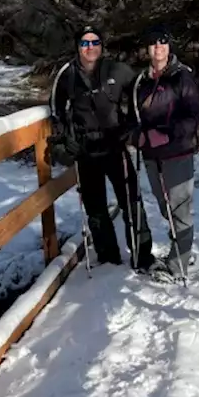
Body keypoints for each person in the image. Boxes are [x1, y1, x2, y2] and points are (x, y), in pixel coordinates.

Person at [48, 25, 154, 270]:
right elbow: (56, 109)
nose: (90, 47)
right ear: (77, 47)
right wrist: (65, 139)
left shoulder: (117, 69)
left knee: (131, 201)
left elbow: (140, 91)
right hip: (86, 149)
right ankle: (107, 257)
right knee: (95, 208)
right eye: (85, 43)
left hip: (115, 145)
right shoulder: (67, 74)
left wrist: (132, 126)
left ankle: (142, 256)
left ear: (101, 45)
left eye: (94, 42)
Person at [131, 25, 199, 280]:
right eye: (153, 43)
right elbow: (133, 117)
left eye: (163, 41)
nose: (158, 46)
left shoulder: (182, 77)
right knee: (166, 208)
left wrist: (167, 134)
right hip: (151, 155)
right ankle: (182, 248)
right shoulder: (142, 81)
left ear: (169, 46)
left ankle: (177, 267)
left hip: (177, 153)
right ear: (147, 49)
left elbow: (192, 117)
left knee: (180, 210)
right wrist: (136, 135)